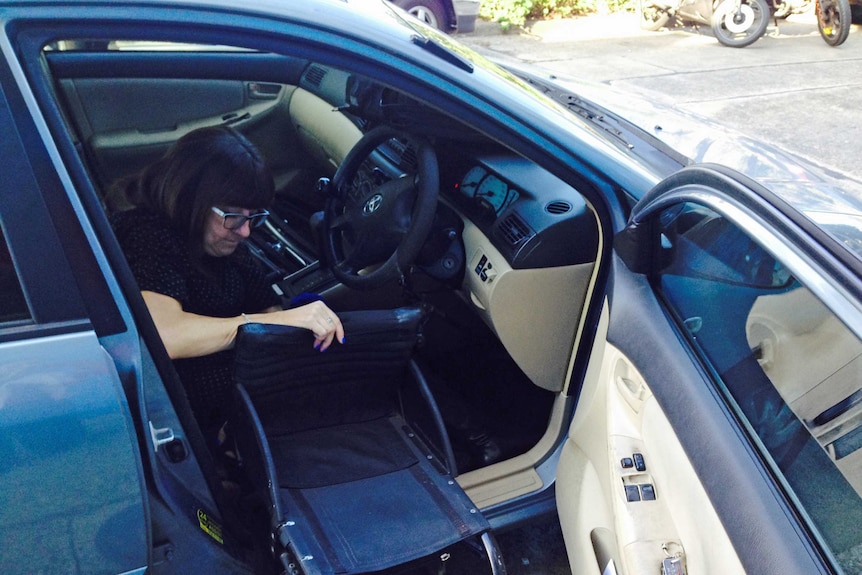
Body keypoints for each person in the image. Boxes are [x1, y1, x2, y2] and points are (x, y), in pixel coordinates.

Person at [110, 125, 344, 451]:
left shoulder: (224, 246)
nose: (246, 231)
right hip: (184, 434)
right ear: (191, 198)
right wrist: (271, 324)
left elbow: (268, 308)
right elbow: (164, 336)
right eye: (233, 217)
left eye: (254, 217)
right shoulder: (148, 234)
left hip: (237, 419)